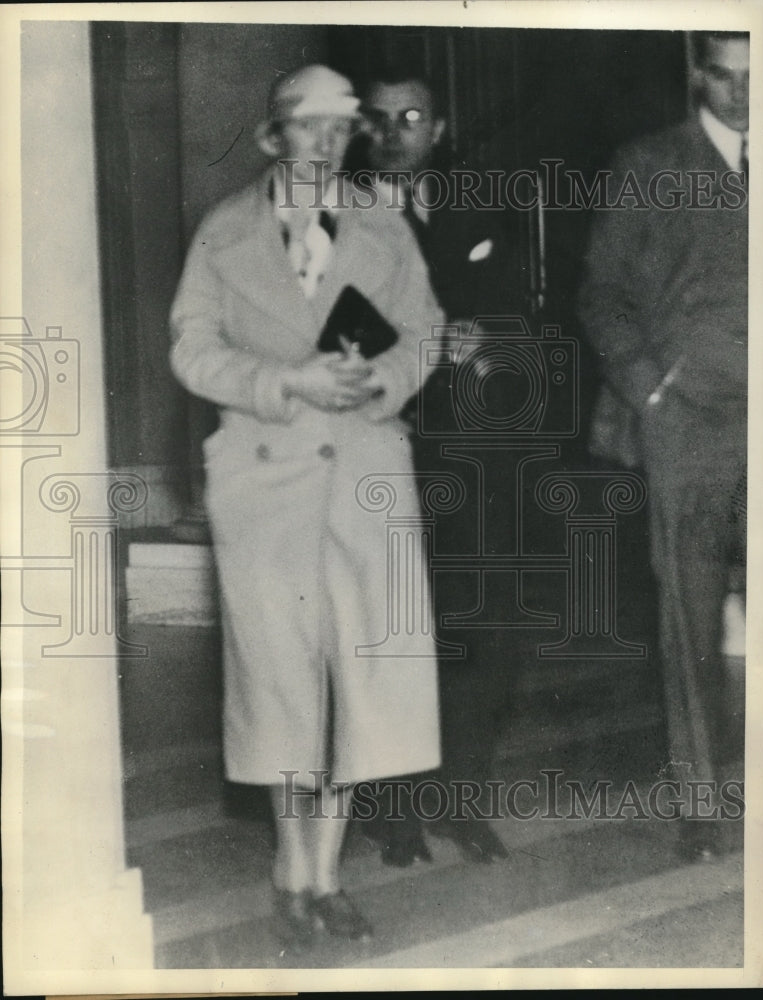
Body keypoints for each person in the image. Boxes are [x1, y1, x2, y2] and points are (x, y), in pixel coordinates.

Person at [169, 64, 443, 944]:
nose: (329, 142)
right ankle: (291, 873)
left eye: (341, 127)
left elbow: (426, 329)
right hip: (264, 480)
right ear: (270, 137)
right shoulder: (224, 232)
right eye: (310, 125)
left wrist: (381, 384)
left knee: (358, 681)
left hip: (365, 469)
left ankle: (327, 879)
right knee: (282, 682)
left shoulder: (382, 222)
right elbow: (193, 351)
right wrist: (285, 378)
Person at [578, 32, 748, 859]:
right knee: (689, 613)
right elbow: (602, 290)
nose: (743, 91)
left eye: (758, 75)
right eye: (725, 74)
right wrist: (650, 386)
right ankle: (704, 802)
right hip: (694, 421)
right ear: (697, 76)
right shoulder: (650, 161)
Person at [356, 69, 522, 866]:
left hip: (470, 449)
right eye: (381, 120)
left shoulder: (478, 203)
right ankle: (389, 810)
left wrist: (484, 333)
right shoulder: (335, 215)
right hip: (378, 445)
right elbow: (326, 323)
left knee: (477, 623)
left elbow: (514, 303)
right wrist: (423, 346)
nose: (395, 133)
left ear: (439, 127)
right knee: (388, 628)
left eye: (411, 117)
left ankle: (460, 796)